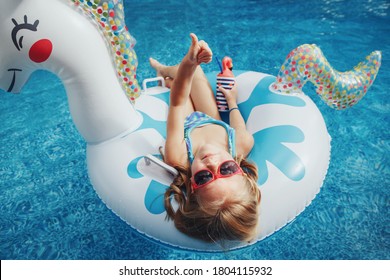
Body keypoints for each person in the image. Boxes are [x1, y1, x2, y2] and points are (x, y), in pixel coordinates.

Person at [149, 33, 261, 243]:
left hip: (186, 126)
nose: (211, 162)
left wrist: (187, 64)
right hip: (211, 118)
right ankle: (165, 71)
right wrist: (231, 100)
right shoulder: (240, 144)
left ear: (192, 185)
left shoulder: (178, 156)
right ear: (241, 171)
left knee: (178, 85)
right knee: (198, 73)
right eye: (227, 169)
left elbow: (177, 102)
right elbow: (237, 121)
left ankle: (164, 74)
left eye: (204, 177)